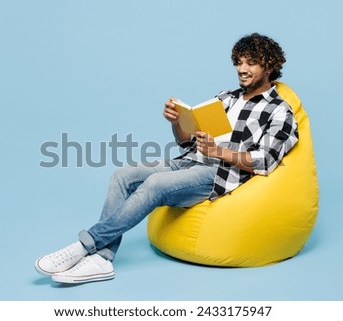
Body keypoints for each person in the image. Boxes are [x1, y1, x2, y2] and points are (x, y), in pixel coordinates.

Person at [34, 33, 299, 284]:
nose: (242, 69)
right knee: (122, 175)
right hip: (188, 160)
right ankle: (102, 259)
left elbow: (265, 161)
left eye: (251, 63)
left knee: (156, 184)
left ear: (269, 66)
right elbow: (186, 141)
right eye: (239, 62)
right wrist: (176, 122)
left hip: (219, 175)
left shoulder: (279, 111)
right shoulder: (225, 97)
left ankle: (85, 245)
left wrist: (217, 152)